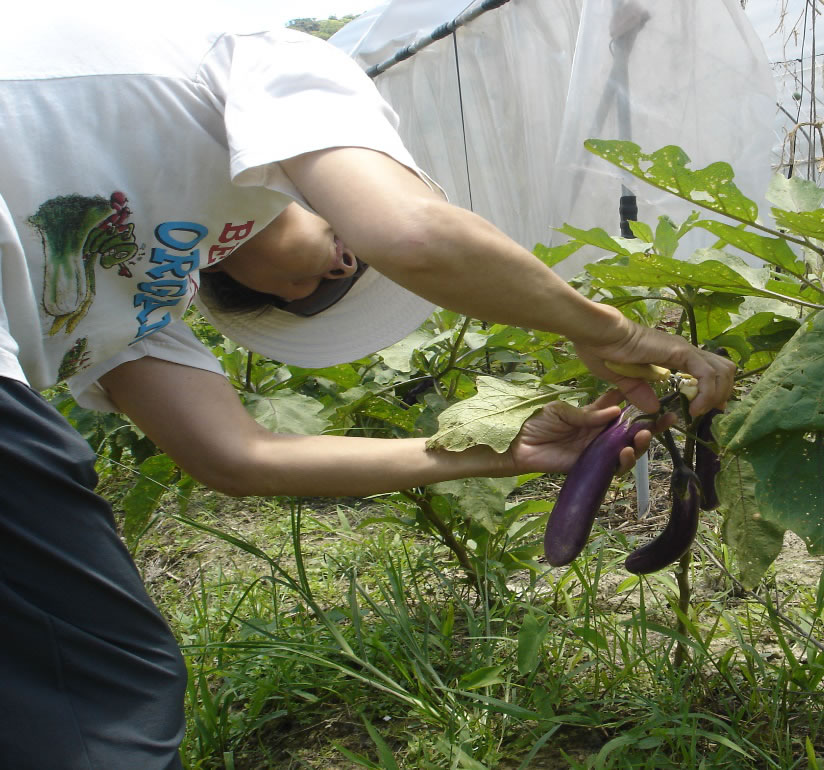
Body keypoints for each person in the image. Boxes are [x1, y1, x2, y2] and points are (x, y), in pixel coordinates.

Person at [0, 4, 735, 767]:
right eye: (337, 271)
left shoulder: (136, 306)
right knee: (103, 700)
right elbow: (414, 233)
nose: (345, 266)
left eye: (322, 295)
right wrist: (613, 331)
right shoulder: (255, 54)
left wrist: (499, 453)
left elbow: (236, 458)